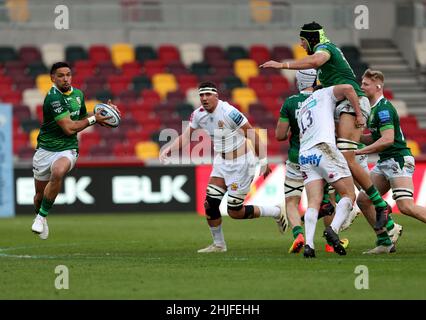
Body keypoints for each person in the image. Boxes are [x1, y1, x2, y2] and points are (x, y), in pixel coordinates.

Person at [260, 21, 392, 230]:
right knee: (330, 153)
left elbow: (317, 61)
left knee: (346, 156)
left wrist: (282, 65)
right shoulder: (326, 71)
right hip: (342, 105)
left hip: (351, 102)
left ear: (312, 39)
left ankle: (379, 204)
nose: (301, 45)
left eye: (303, 41)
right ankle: (331, 204)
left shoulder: (325, 49)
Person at [160, 81, 288, 253]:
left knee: (235, 212)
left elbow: (252, 134)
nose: (204, 98)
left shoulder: (229, 112)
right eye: (201, 95)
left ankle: (276, 211)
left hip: (242, 163)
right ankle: (219, 245)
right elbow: (186, 136)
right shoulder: (198, 115)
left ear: (216, 96)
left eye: (208, 95)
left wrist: (263, 161)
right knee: (210, 204)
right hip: (221, 163)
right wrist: (169, 149)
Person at [31, 62, 119, 240]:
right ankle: (42, 214)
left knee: (58, 172)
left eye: (68, 75)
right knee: (39, 196)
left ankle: (41, 217)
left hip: (68, 148)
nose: (65, 78)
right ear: (53, 78)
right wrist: (94, 119)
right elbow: (69, 128)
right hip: (45, 149)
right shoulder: (53, 98)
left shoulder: (78, 94)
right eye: (61, 75)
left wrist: (102, 113)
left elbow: (81, 118)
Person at [356, 69, 426, 253]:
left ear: (378, 85)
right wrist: (354, 138)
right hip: (386, 161)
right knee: (364, 199)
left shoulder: (384, 109)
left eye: (366, 84)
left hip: (398, 160)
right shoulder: (373, 109)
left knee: (405, 206)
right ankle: (385, 242)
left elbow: (387, 139)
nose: (362, 86)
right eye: (362, 83)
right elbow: (374, 138)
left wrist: (360, 151)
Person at [297, 83, 365, 258]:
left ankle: (309, 245)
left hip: (305, 153)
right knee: (349, 194)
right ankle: (333, 230)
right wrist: (358, 114)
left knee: (313, 201)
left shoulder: (303, 107)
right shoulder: (325, 94)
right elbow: (349, 89)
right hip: (323, 148)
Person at [275, 69, 339, 254]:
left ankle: (298, 235)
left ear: (298, 81)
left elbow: (279, 135)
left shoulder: (290, 102)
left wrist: (293, 130)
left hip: (297, 158)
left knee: (292, 201)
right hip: (321, 157)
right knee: (327, 201)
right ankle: (330, 243)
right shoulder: (325, 99)